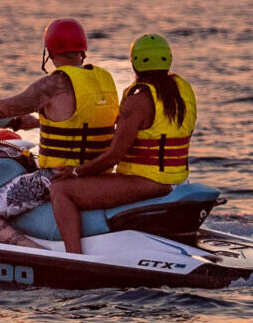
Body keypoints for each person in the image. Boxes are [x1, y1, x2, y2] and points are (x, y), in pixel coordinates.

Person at [0, 18, 119, 248]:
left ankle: (37, 253)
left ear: (49, 51)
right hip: (94, 173)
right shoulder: (104, 78)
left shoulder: (53, 84)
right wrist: (21, 122)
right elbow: (75, 121)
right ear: (83, 48)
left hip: (55, 177)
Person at [41, 33, 197, 254]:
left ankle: (74, 256)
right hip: (179, 179)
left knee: (61, 189)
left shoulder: (139, 99)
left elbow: (115, 155)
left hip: (147, 182)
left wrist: (76, 171)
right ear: (168, 59)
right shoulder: (183, 90)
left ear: (134, 64)